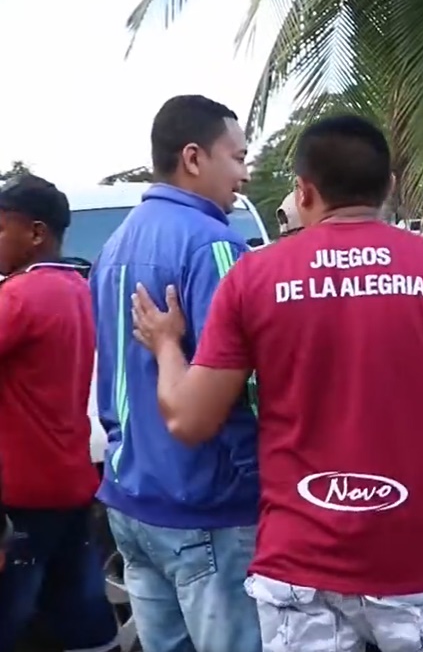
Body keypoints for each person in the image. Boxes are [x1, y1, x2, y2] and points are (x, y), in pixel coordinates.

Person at [128, 115, 423, 652]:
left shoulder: (253, 277)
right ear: (389, 188)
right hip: (422, 562)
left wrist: (167, 345)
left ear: (304, 191)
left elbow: (188, 418)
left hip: (300, 569)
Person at [90, 94, 261, 652]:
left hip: (130, 497)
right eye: (236, 158)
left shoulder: (114, 245)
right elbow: (243, 385)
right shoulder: (213, 243)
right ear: (193, 157)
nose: (243, 174)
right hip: (205, 506)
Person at [0, 176, 121, 652]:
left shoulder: (18, 298)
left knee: (12, 612)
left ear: (35, 233)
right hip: (70, 479)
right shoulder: (77, 288)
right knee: (81, 608)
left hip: (22, 490)